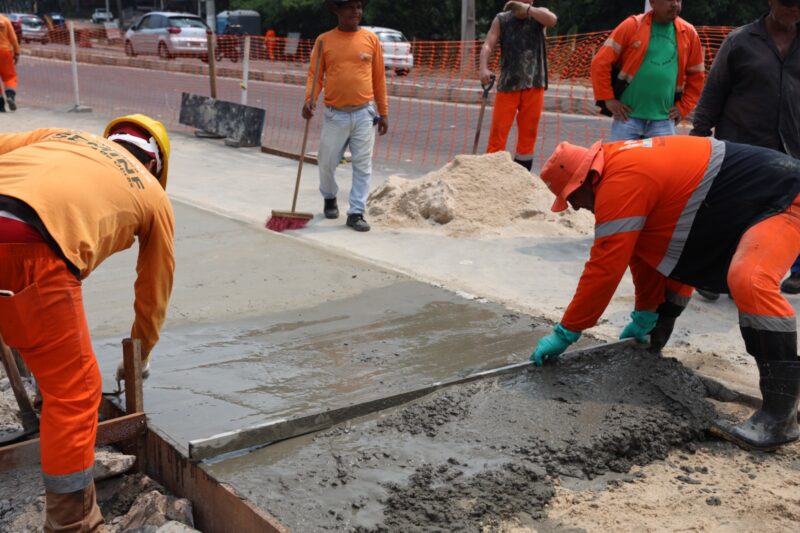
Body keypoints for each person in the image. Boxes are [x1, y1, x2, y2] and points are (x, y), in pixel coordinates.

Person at [531, 135, 800, 452]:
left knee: (750, 280)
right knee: (669, 263)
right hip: (743, 201)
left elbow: (604, 267)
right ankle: (650, 355)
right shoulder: (619, 166)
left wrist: (568, 331)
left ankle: (778, 418)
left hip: (787, 198)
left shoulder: (621, 181)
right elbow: (641, 252)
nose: (577, 206)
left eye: (574, 198)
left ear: (587, 179)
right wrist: (645, 314)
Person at [0, 114, 175, 531]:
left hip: (22, 232)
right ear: (156, 166)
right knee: (76, 393)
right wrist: (141, 352)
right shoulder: (151, 193)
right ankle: (73, 524)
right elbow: (153, 293)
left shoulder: (60, 135)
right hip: (30, 247)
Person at [691, 0, 800, 298]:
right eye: (790, 3)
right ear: (772, 2)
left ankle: (785, 273)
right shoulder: (740, 41)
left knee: (786, 215)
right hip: (742, 146)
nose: (796, 11)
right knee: (731, 212)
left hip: (791, 148)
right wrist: (699, 136)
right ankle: (713, 276)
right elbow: (713, 93)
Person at [302, 0, 388, 232]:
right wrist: (309, 100)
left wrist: (384, 111)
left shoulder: (371, 40)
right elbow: (316, 75)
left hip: (364, 113)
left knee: (362, 164)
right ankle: (329, 196)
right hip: (335, 114)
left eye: (359, 7)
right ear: (336, 10)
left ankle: (356, 212)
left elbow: (379, 79)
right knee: (326, 162)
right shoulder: (324, 41)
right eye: (350, 7)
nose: (356, 11)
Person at [591, 0, 704, 141]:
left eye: (679, 0)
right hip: (627, 119)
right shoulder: (632, 26)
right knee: (622, 163)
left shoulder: (689, 33)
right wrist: (608, 99)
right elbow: (600, 63)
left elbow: (697, 76)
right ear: (653, 2)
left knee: (659, 164)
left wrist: (683, 108)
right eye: (670, 0)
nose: (675, 4)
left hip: (663, 121)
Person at [479, 0, 557, 170]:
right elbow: (488, 44)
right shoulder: (501, 19)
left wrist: (529, 10)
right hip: (509, 84)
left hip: (534, 84)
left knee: (528, 136)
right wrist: (483, 67)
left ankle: (522, 174)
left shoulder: (538, 15)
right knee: (498, 133)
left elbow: (552, 20)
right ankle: (491, 173)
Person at [0, 13, 20, 112]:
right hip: (4, 51)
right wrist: (17, 53)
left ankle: (0, 106)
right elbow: (14, 38)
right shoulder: (5, 20)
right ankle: (10, 96)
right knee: (10, 76)